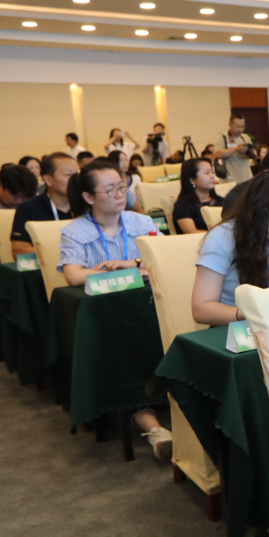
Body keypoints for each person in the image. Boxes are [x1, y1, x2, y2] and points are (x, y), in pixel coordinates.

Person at [56, 159, 170, 458]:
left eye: (122, 186)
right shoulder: (75, 231)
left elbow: (164, 259)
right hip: (109, 320)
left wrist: (130, 264)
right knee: (120, 351)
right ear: (88, 197)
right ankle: (151, 425)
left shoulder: (141, 222)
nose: (120, 194)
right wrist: (133, 270)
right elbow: (73, 275)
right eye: (110, 190)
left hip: (148, 311)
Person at [191, 167, 269, 327]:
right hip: (238, 329)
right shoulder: (223, 237)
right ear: (255, 212)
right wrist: (251, 313)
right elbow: (201, 309)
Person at [10, 153, 78, 255]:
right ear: (48, 180)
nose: (76, 180)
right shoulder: (28, 208)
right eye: (68, 175)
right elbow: (18, 250)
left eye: (77, 174)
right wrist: (57, 253)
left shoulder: (88, 205)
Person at [171, 158, 223, 234]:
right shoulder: (183, 205)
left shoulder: (222, 201)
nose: (212, 176)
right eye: (207, 173)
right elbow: (192, 233)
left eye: (212, 172)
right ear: (192, 180)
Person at [213, 113, 255, 184]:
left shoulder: (246, 138)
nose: (240, 130)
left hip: (247, 177)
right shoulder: (222, 138)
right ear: (230, 125)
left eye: (242, 127)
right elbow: (218, 154)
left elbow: (253, 154)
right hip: (231, 179)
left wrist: (249, 153)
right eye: (237, 127)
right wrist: (236, 149)